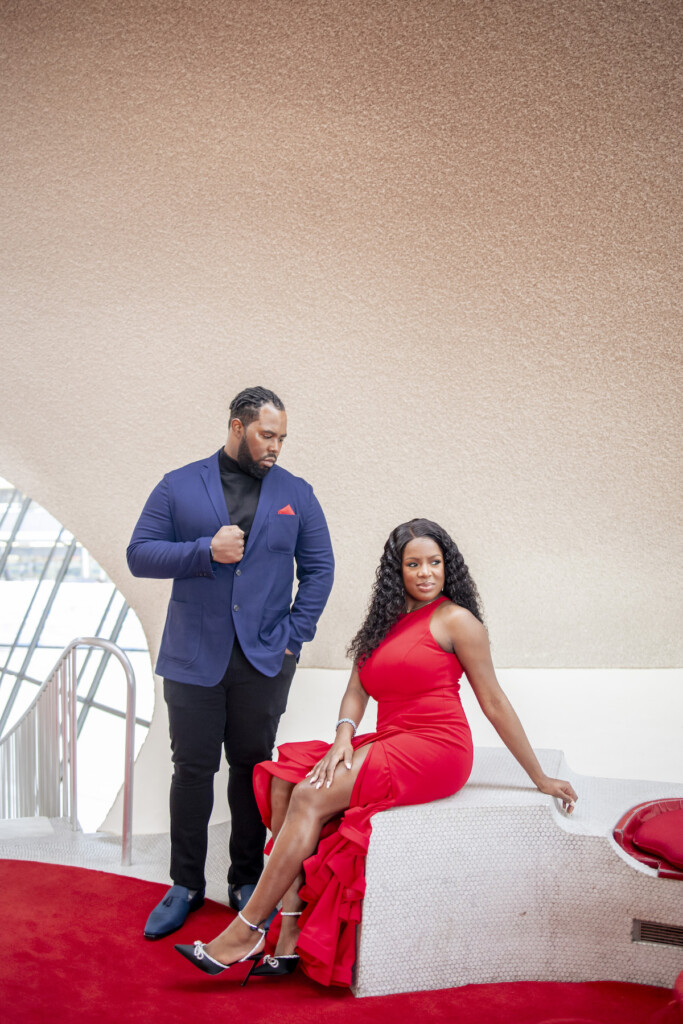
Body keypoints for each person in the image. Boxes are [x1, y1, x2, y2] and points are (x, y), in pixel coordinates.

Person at [174, 517, 578, 986]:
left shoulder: (456, 620)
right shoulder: (383, 624)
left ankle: (245, 932)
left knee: (310, 796)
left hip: (437, 747)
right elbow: (356, 691)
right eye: (414, 564)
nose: (426, 572)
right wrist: (343, 736)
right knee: (286, 779)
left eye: (435, 562)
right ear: (397, 570)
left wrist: (539, 778)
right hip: (390, 739)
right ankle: (286, 936)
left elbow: (493, 702)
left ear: (449, 567)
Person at [127, 386, 334, 939]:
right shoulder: (178, 484)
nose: (276, 447)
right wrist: (203, 550)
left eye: (283, 438)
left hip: (265, 658)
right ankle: (185, 885)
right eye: (268, 435)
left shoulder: (297, 494)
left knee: (251, 767)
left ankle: (245, 878)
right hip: (193, 658)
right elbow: (140, 553)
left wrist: (294, 636)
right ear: (238, 427)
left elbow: (319, 570)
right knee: (192, 770)